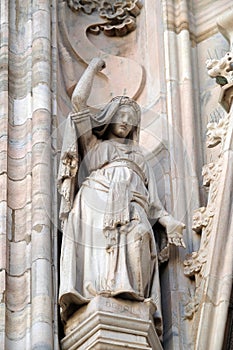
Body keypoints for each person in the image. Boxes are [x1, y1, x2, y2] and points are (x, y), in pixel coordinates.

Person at [58, 58, 185, 335]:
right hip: (97, 204)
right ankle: (100, 298)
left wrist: (168, 221)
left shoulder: (140, 156)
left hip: (133, 208)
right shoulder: (95, 144)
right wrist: (92, 68)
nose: (126, 123)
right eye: (122, 115)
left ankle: (133, 299)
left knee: (139, 235)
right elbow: (78, 102)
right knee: (101, 254)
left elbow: (152, 203)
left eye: (132, 120)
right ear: (111, 115)